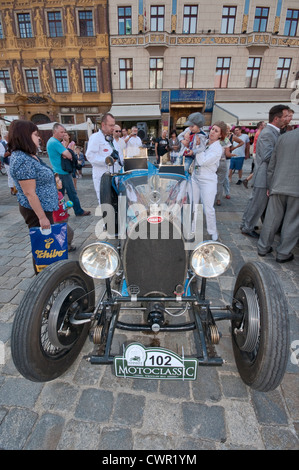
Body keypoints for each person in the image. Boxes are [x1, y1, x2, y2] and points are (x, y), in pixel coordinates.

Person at [8, 120, 59, 273]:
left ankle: (46, 273)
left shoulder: (29, 155)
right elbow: (29, 193)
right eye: (36, 134)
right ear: (25, 136)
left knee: (45, 243)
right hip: (37, 210)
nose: (39, 138)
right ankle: (43, 278)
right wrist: (42, 217)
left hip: (45, 207)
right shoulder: (22, 160)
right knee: (42, 245)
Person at [240, 104, 290, 238]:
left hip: (264, 174)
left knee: (255, 202)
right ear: (276, 119)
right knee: (257, 203)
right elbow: (267, 156)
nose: (287, 119)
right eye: (285, 116)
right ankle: (247, 226)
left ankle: (247, 223)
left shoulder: (273, 132)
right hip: (263, 174)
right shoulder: (268, 133)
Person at [257, 127, 299, 263]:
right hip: (295, 188)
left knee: (272, 218)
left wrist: (270, 184)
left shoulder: (284, 137)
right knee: (292, 222)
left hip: (278, 183)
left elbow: (272, 164)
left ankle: (263, 247)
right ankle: (283, 252)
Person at [192, 121, 227, 241]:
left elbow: (202, 161)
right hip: (195, 177)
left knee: (208, 208)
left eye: (216, 131)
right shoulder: (205, 142)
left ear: (220, 135)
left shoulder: (217, 149)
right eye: (212, 129)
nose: (212, 132)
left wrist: (197, 148)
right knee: (194, 204)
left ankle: (212, 231)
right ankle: (193, 227)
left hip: (208, 180)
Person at [47, 123, 90, 216]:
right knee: (71, 193)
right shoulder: (55, 142)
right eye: (61, 132)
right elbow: (69, 155)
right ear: (55, 132)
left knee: (60, 194)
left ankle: (60, 212)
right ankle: (78, 211)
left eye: (64, 132)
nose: (63, 134)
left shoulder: (52, 141)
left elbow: (66, 153)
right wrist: (67, 154)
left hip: (57, 171)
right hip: (63, 172)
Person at [85, 112, 120, 204]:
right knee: (105, 205)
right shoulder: (95, 137)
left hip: (114, 176)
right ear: (103, 125)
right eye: (111, 125)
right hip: (102, 177)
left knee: (114, 203)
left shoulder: (111, 139)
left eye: (114, 125)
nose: (113, 128)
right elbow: (90, 156)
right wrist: (107, 160)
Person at [215, 125, 244, 205]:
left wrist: (232, 150)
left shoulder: (227, 139)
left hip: (221, 161)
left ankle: (222, 196)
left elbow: (241, 142)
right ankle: (217, 198)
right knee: (218, 181)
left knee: (222, 179)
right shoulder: (221, 139)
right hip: (219, 161)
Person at [53, 173, 76, 252]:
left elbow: (61, 205)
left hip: (63, 217)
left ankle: (65, 246)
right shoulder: (53, 196)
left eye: (60, 180)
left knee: (67, 233)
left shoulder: (59, 193)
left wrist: (66, 206)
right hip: (58, 220)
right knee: (69, 233)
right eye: (58, 181)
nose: (60, 182)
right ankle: (65, 247)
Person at [243, 121, 265, 188]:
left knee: (258, 168)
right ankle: (247, 180)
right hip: (258, 153)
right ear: (260, 126)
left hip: (257, 152)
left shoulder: (258, 133)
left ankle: (251, 181)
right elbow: (259, 144)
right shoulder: (259, 133)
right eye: (264, 125)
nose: (265, 126)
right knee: (258, 169)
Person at [0, 131, 17, 195]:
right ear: (5, 137)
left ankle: (16, 188)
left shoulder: (12, 143)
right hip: (7, 161)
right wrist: (9, 152)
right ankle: (12, 188)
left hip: (13, 161)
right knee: (10, 175)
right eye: (8, 136)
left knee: (14, 175)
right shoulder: (2, 144)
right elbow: (2, 154)